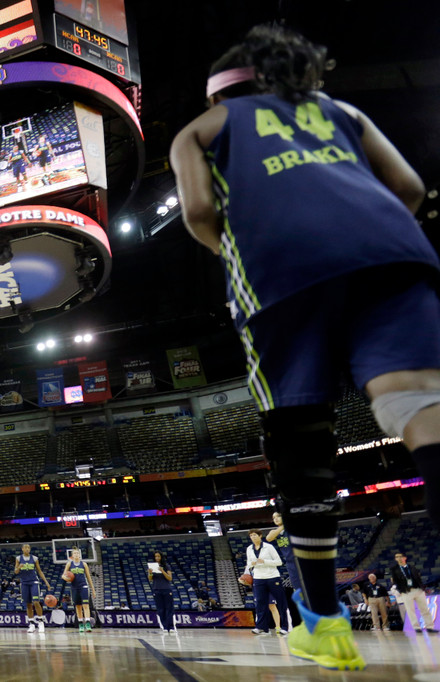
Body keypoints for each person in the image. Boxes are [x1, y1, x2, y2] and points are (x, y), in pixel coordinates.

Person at [170, 23, 440, 670]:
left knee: (301, 440)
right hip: (390, 252)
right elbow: (408, 188)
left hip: (280, 269)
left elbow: (200, 212)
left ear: (217, 97)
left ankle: (324, 623)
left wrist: (247, 250)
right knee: (423, 411)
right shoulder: (342, 110)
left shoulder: (203, 130)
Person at [242, 530, 286, 636]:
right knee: (260, 603)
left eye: (255, 535)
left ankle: (284, 627)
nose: (253, 537)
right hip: (258, 577)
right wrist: (251, 564)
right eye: (251, 536)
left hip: (272, 577)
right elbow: (248, 563)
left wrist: (265, 561)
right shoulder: (249, 548)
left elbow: (279, 562)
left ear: (260, 536)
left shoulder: (269, 547)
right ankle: (261, 627)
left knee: (281, 602)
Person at [265, 511, 301, 629]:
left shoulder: (293, 527)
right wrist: (283, 525)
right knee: (298, 592)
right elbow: (269, 538)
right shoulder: (275, 532)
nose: (275, 519)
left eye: (278, 516)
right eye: (273, 517)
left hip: (300, 560)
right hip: (290, 564)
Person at [390, 552, 437, 633]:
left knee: (424, 609)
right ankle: (416, 628)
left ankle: (430, 627)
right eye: (396, 557)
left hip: (417, 590)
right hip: (406, 592)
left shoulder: (412, 567)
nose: (398, 558)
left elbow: (418, 577)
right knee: (410, 610)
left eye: (400, 556)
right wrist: (400, 591)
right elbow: (395, 581)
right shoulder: (394, 569)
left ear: (405, 558)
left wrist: (421, 587)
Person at [15, 543, 52, 633]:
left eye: (29, 547)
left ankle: (41, 622)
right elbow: (16, 572)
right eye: (26, 547)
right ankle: (31, 624)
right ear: (22, 549)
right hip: (24, 583)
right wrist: (19, 568)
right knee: (28, 604)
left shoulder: (34, 558)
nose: (27, 549)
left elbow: (39, 571)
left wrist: (46, 582)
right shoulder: (18, 558)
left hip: (34, 582)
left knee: (36, 602)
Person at [63, 547, 95, 633]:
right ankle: (81, 623)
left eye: (78, 553)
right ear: (72, 555)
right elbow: (63, 575)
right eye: (75, 553)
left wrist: (93, 590)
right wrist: (66, 578)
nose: (76, 555)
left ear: (79, 555)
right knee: (78, 606)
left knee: (86, 605)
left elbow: (88, 577)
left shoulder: (84, 564)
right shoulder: (69, 564)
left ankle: (87, 623)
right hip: (74, 587)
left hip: (83, 586)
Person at [147, 551, 175, 633]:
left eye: (158, 556)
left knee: (169, 608)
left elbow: (170, 578)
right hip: (157, 589)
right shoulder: (152, 566)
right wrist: (150, 573)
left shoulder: (166, 566)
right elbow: (150, 579)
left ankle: (171, 626)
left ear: (161, 557)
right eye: (156, 556)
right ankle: (165, 626)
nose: (157, 558)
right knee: (160, 609)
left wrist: (162, 571)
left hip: (166, 589)